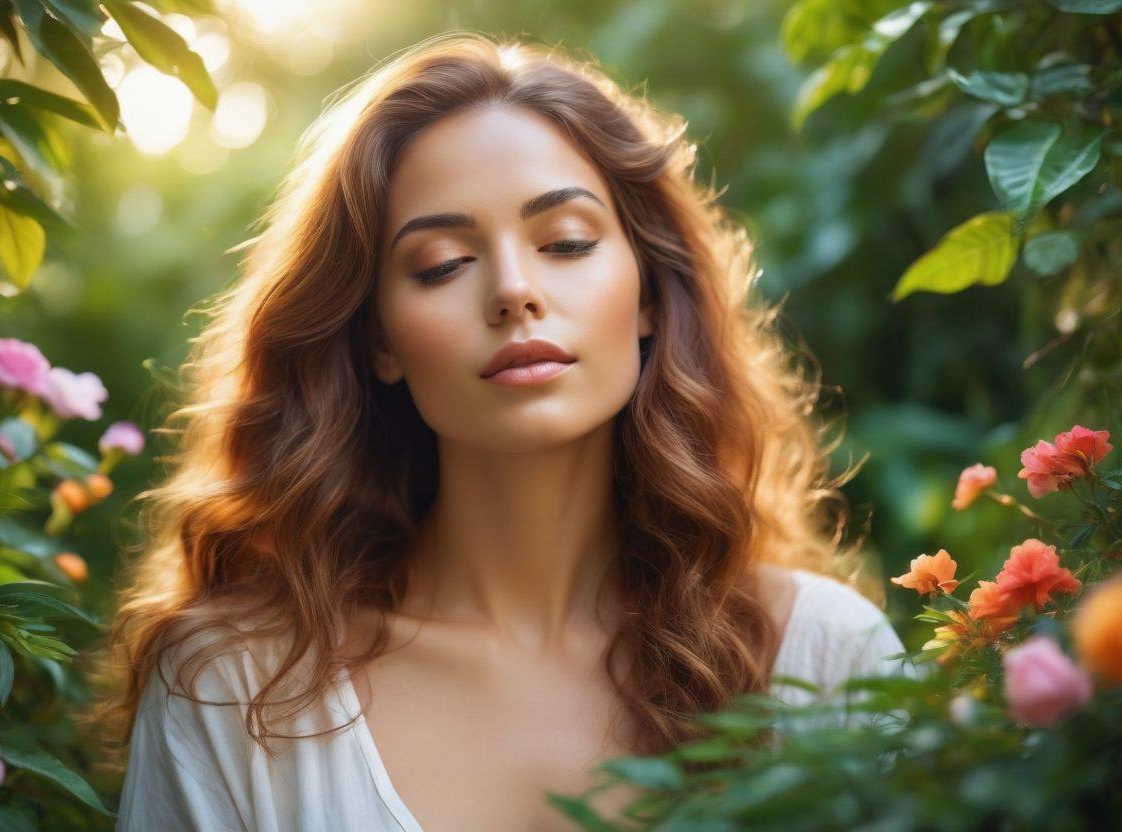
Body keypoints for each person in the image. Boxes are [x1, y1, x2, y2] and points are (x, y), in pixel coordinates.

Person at [93, 31, 916, 832]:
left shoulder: (823, 657)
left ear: (650, 298)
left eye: (565, 242)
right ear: (378, 338)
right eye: (443, 264)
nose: (513, 291)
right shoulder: (235, 685)